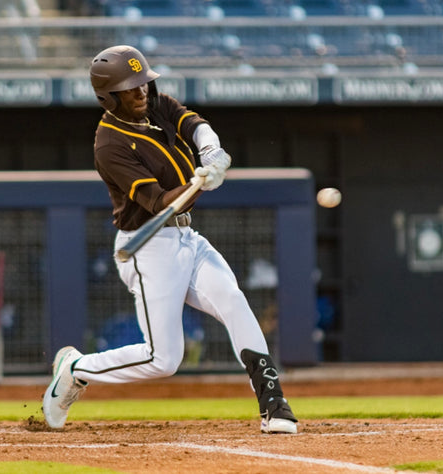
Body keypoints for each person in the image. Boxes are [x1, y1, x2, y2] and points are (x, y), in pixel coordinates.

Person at [42, 45, 297, 434]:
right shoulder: (109, 145)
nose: (141, 92)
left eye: (143, 83)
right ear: (107, 98)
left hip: (186, 238)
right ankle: (76, 368)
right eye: (130, 88)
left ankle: (274, 404)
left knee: (232, 298)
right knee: (163, 359)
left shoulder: (153, 105)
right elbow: (161, 202)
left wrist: (210, 151)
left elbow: (192, 122)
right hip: (148, 249)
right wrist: (199, 184)